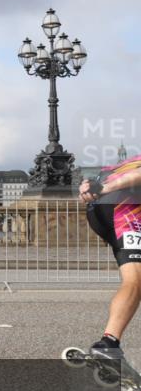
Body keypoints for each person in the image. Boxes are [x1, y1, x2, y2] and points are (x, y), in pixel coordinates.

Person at [78, 153, 141, 371]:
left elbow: (93, 179)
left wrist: (88, 189)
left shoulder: (129, 160)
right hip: (123, 208)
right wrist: (104, 189)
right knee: (135, 280)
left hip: (100, 209)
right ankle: (109, 343)